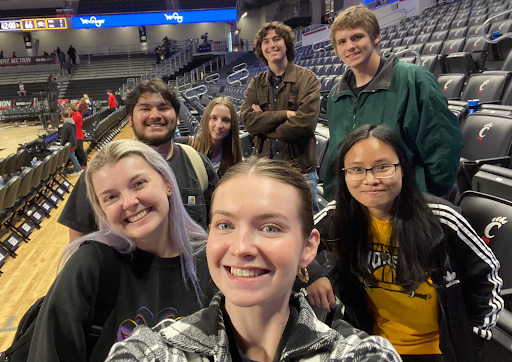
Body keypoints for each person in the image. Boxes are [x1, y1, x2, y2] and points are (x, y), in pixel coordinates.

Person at [105, 156, 402, 362]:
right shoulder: (152, 350)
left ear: (308, 249)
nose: (241, 247)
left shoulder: (359, 354)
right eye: (225, 225)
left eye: (270, 228)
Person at [313, 124, 503, 362]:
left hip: (439, 350)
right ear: (344, 174)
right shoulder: (338, 216)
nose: (370, 180)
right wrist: (314, 274)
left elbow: (487, 278)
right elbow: (296, 242)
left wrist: (472, 339)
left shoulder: (442, 220)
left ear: (402, 168)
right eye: (356, 169)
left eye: (383, 167)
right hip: (373, 344)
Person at [28, 140, 215, 362]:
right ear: (102, 211)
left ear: (167, 183)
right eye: (111, 197)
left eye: (138, 183)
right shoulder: (89, 267)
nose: (129, 202)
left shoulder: (213, 260)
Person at [322, 5, 463, 201]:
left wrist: (428, 199)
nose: (350, 47)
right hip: (358, 202)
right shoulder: (336, 96)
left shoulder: (413, 79)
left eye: (357, 37)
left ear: (376, 37)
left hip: (408, 204)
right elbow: (338, 155)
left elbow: (442, 145)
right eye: (342, 41)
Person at [57, 78, 218, 242]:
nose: (155, 115)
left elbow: (217, 228)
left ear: (177, 118)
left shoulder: (199, 165)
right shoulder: (101, 172)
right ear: (130, 119)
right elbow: (78, 239)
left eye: (163, 108)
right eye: (145, 108)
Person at [241, 21, 321, 213]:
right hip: (265, 169)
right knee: (269, 226)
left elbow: (304, 123)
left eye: (276, 39)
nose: (272, 45)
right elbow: (248, 122)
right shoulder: (256, 83)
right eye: (266, 41)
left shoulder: (307, 78)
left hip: (301, 171)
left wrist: (264, 124)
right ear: (261, 48)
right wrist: (284, 114)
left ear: (286, 43)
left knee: (310, 229)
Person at [179, 97, 242, 177]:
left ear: (232, 125)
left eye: (225, 120)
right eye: (214, 118)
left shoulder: (233, 156)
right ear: (206, 120)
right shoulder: (184, 147)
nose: (219, 125)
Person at [59, 110, 82, 176]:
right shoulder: (72, 122)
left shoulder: (66, 124)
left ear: (62, 116)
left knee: (72, 157)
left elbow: (64, 136)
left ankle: (78, 170)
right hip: (73, 141)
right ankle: (77, 169)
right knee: (73, 156)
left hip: (69, 143)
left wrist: (61, 144)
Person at [67, 103, 87, 167]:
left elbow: (69, 122)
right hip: (75, 136)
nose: (69, 111)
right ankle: (80, 165)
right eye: (68, 110)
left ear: (73, 109)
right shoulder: (72, 115)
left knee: (80, 151)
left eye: (70, 110)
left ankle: (84, 164)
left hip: (78, 136)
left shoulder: (77, 115)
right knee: (77, 152)